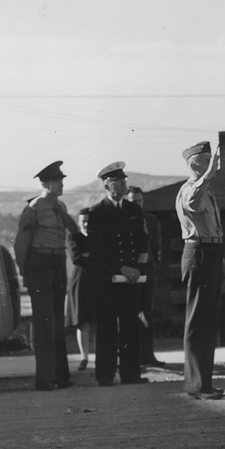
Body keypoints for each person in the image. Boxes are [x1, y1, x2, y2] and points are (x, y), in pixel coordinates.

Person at [14, 161, 78, 391]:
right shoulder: (34, 208)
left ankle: (61, 376)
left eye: (61, 180)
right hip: (39, 264)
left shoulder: (61, 206)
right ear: (45, 184)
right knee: (44, 323)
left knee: (58, 322)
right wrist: (25, 271)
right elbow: (21, 243)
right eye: (57, 181)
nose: (61, 184)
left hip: (58, 262)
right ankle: (45, 380)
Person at [87, 162, 150, 387]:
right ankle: (105, 375)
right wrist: (121, 268)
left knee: (130, 327)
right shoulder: (96, 213)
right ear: (106, 184)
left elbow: (143, 243)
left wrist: (139, 269)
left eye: (124, 181)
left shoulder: (134, 210)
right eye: (118, 182)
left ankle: (130, 374)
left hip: (131, 279)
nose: (123, 185)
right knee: (107, 328)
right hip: (108, 279)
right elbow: (98, 250)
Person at [177, 141, 225, 399]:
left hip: (211, 252)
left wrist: (222, 262)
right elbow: (194, 204)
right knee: (198, 321)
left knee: (207, 321)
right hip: (200, 253)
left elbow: (211, 229)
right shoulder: (190, 190)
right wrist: (206, 177)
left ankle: (203, 382)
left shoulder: (206, 188)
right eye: (206, 161)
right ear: (193, 164)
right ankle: (197, 385)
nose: (212, 166)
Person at [126, 186, 165, 367]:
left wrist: (153, 268)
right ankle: (131, 357)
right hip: (129, 273)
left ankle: (148, 356)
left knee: (146, 313)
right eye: (134, 201)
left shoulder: (151, 220)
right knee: (130, 314)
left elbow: (156, 248)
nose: (137, 204)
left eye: (140, 201)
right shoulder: (123, 219)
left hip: (148, 272)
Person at [65, 207, 96, 371]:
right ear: (78, 222)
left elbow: (102, 256)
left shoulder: (98, 237)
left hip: (97, 282)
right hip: (80, 283)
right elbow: (76, 258)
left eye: (88, 221)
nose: (85, 224)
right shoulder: (73, 237)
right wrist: (92, 256)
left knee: (98, 321)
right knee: (82, 322)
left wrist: (89, 255)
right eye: (83, 221)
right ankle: (84, 357)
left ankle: (100, 357)